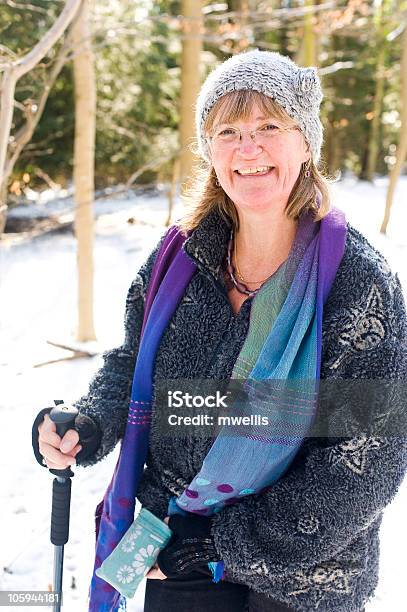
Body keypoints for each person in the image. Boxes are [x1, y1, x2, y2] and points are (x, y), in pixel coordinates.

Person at [32, 50, 407, 612]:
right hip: (172, 541)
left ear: (306, 144)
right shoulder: (178, 259)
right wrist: (89, 423)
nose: (247, 147)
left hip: (304, 572)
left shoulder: (356, 282)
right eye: (227, 129)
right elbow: (135, 363)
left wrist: (226, 544)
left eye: (269, 126)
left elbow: (369, 455)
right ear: (208, 149)